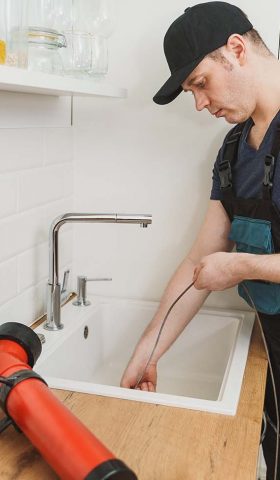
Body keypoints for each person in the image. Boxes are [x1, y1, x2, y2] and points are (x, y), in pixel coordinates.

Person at [120, 2, 280, 478]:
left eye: (201, 83)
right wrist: (147, 353)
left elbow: (223, 267)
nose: (200, 104)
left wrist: (241, 267)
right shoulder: (233, 150)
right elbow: (201, 260)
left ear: (236, 49)